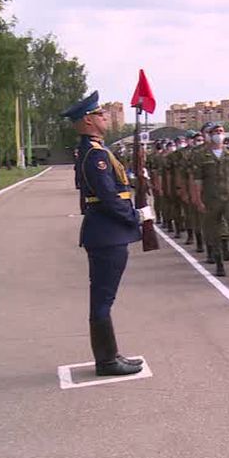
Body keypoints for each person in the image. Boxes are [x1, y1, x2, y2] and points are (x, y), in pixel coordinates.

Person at [66, 91, 148, 377]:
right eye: (100, 114)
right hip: (107, 233)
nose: (105, 118)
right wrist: (134, 217)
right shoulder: (95, 154)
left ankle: (109, 355)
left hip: (106, 232)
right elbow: (109, 197)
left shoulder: (95, 150)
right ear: (88, 120)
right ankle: (107, 361)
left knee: (103, 299)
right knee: (102, 300)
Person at [191, 123, 229, 276]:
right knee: (213, 231)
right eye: (215, 132)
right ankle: (219, 262)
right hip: (210, 198)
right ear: (209, 135)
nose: (218, 134)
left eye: (221, 131)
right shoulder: (201, 155)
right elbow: (197, 180)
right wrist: (198, 200)